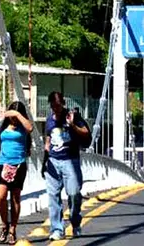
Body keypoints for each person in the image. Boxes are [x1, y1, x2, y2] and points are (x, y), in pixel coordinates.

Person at [0, 100, 33, 244]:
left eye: (16, 116)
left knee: (15, 198)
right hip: (1, 164)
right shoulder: (1, 126)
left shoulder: (23, 127)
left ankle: (13, 229)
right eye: (12, 116)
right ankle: (4, 225)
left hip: (18, 165)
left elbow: (30, 128)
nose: (13, 119)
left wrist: (18, 115)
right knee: (1, 197)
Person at [45, 91, 90, 240]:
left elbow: (85, 132)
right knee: (53, 196)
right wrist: (44, 161)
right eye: (54, 106)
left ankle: (75, 221)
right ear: (50, 105)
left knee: (74, 193)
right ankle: (57, 229)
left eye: (59, 105)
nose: (57, 108)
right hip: (53, 160)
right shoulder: (49, 120)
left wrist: (72, 126)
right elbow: (48, 140)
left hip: (70, 160)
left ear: (63, 103)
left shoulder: (72, 116)